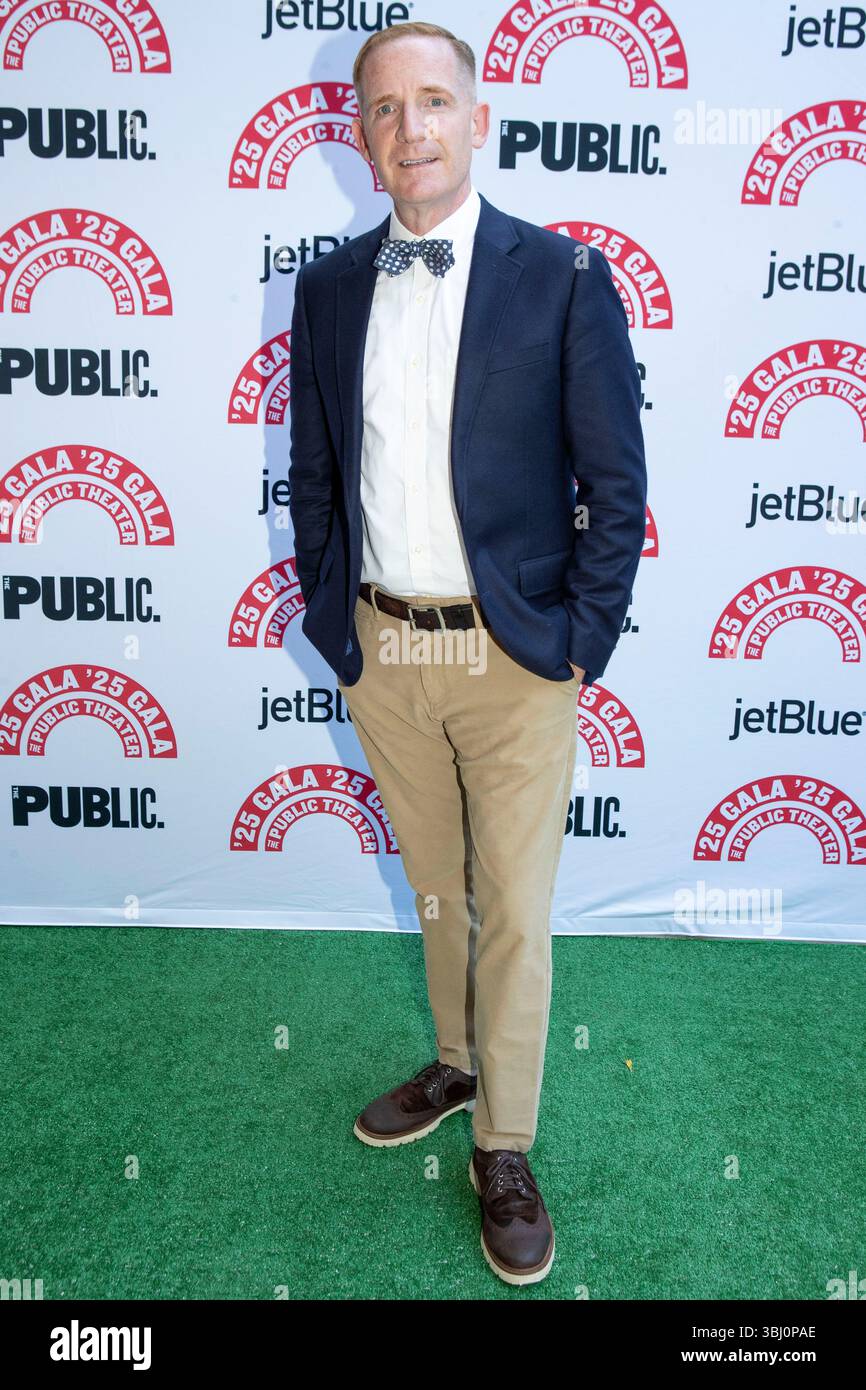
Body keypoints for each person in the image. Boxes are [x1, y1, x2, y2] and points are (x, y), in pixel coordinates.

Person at [288, 20, 647, 1286]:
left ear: (477, 118)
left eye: (432, 102)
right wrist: (336, 624)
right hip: (385, 653)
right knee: (433, 889)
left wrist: (576, 647)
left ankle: (504, 1141)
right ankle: (453, 1059)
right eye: (384, 110)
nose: (410, 129)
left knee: (517, 914)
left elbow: (615, 480)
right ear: (361, 133)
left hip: (514, 659)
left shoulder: (559, 277)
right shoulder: (328, 289)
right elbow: (315, 471)